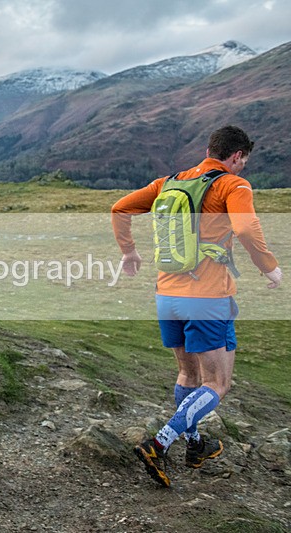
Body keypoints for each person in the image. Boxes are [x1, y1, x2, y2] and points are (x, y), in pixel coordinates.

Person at [111, 125, 282, 487]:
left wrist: (129, 252)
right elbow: (246, 229)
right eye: (244, 160)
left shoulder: (168, 183)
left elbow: (119, 208)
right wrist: (270, 267)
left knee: (188, 376)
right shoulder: (233, 185)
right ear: (237, 156)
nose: (243, 166)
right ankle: (159, 443)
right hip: (207, 298)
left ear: (209, 150)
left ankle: (195, 446)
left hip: (166, 295)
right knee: (217, 383)